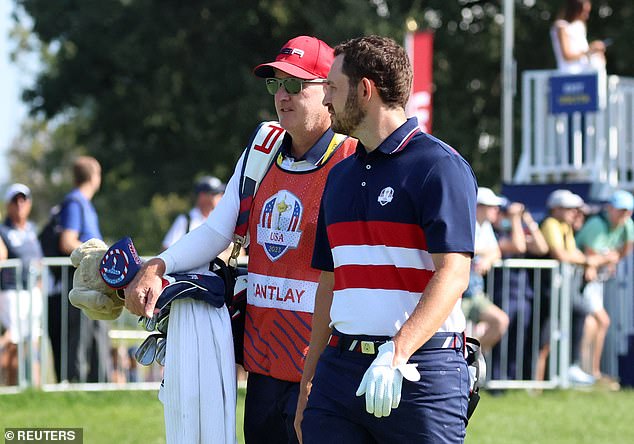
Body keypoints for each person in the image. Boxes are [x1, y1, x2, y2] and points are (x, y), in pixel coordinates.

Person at [124, 35, 357, 444]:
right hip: (264, 368)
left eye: (297, 84)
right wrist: (157, 265)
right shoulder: (261, 148)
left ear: (329, 90)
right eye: (276, 84)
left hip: (326, 368)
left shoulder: (353, 158)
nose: (283, 95)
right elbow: (218, 231)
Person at [296, 35, 477, 443]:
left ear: (365, 89)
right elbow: (331, 281)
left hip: (423, 373)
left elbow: (453, 275)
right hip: (339, 374)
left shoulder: (440, 166)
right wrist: (309, 380)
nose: (325, 100)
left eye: (332, 88)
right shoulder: (339, 175)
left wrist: (396, 353)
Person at [47, 156, 112, 383]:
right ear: (95, 177)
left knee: (95, 335)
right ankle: (74, 384)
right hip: (83, 282)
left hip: (94, 282)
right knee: (80, 337)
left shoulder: (83, 203)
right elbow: (67, 241)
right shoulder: (75, 202)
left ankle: (98, 385)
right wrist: (96, 254)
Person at [537, 189, 599, 385]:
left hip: (556, 290)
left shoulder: (565, 227)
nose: (576, 213)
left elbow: (572, 253)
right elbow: (562, 255)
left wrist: (584, 260)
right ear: (556, 209)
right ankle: (538, 384)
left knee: (552, 335)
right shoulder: (551, 224)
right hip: (545, 290)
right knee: (543, 340)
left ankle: (564, 371)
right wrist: (587, 261)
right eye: (570, 209)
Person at [575, 190, 634, 388]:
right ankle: (588, 371)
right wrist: (608, 259)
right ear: (610, 209)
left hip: (594, 280)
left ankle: (589, 371)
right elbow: (590, 257)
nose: (624, 215)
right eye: (621, 211)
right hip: (579, 279)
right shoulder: (596, 225)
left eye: (628, 211)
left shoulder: (626, 224)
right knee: (599, 321)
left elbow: (626, 248)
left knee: (593, 323)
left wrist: (612, 258)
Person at [492, 199, 549, 380]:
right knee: (503, 341)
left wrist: (529, 220)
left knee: (520, 340)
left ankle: (514, 379)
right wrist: (516, 219)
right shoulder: (494, 233)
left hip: (523, 294)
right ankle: (497, 380)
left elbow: (542, 248)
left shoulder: (517, 231)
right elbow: (518, 246)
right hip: (503, 293)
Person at [0, 184, 44, 386]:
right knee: (13, 342)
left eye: (23, 199)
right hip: (11, 292)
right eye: (15, 200)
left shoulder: (32, 229)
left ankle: (34, 391)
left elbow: (39, 260)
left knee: (32, 342)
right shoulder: (3, 230)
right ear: (8, 204)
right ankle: (11, 389)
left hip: (32, 291)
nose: (20, 204)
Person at [463, 187, 509, 351]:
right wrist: (486, 253)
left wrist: (487, 259)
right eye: (491, 206)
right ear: (479, 206)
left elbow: (495, 251)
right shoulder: (466, 222)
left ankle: (470, 355)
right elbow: (469, 248)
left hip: (474, 292)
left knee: (500, 321)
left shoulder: (485, 225)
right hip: (456, 295)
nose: (496, 210)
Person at [162, 175, 225, 250]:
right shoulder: (185, 220)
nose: (221, 196)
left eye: (221, 193)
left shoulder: (222, 220)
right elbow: (166, 250)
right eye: (215, 193)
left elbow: (238, 251)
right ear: (202, 196)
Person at [551, 0, 606, 73]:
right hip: (569, 75)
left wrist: (596, 54)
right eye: (584, 11)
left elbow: (583, 55)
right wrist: (590, 49)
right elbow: (567, 56)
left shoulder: (580, 27)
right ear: (574, 10)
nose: (587, 16)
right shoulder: (561, 26)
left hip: (584, 73)